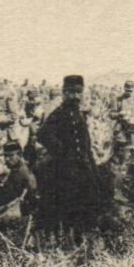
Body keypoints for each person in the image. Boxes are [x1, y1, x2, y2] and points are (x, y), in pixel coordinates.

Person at [35, 75, 109, 235]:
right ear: (64, 92)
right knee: (66, 202)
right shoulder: (59, 113)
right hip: (64, 169)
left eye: (78, 92)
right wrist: (61, 151)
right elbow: (42, 134)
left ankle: (82, 235)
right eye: (71, 92)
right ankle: (64, 236)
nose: (75, 96)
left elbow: (85, 144)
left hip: (81, 166)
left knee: (88, 198)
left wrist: (91, 165)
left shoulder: (79, 114)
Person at [0, 140, 38, 219]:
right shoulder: (15, 169)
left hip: (17, 211)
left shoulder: (22, 171)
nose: (7, 159)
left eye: (11, 156)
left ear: (19, 155)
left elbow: (32, 189)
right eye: (5, 156)